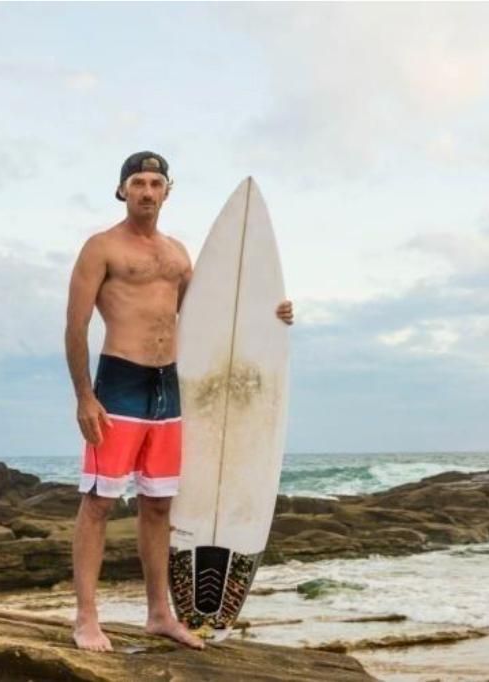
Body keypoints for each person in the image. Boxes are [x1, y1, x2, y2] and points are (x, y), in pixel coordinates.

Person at [64, 151, 294, 651]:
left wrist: (270, 314)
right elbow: (75, 326)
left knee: (158, 504)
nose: (147, 191)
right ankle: (86, 618)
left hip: (168, 388)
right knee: (99, 502)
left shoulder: (179, 256)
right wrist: (84, 396)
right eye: (138, 182)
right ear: (122, 190)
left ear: (167, 191)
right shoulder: (101, 248)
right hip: (120, 383)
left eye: (155, 183)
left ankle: (159, 615)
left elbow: (213, 316)